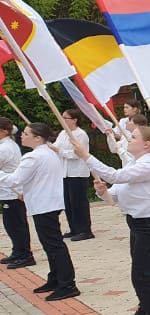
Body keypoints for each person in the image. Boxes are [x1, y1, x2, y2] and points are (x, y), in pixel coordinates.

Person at [72, 126, 150, 315]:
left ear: (147, 144)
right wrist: (103, 192)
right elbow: (115, 194)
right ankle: (146, 306)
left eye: (134, 136)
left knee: (143, 275)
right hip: (137, 224)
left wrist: (87, 157)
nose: (130, 139)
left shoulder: (149, 164)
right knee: (140, 272)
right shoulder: (136, 163)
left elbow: (117, 176)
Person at [0, 123, 78, 299]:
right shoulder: (47, 153)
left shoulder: (34, 157)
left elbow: (15, 179)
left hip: (44, 204)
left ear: (37, 138)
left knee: (54, 245)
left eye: (26, 133)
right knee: (50, 244)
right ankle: (56, 278)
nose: (22, 135)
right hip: (47, 202)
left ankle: (67, 284)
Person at [55, 109, 94, 241]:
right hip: (64, 173)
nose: (63, 120)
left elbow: (76, 154)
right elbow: (56, 147)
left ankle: (85, 230)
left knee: (78, 202)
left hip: (77, 172)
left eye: (66, 118)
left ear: (74, 120)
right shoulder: (62, 133)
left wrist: (59, 151)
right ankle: (74, 228)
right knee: (68, 202)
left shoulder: (80, 134)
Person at [0, 117, 34, 270]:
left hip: (13, 192)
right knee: (10, 224)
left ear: (3, 131)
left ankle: (25, 254)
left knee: (16, 225)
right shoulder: (5, 145)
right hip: (8, 190)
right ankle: (17, 250)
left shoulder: (6, 148)